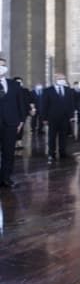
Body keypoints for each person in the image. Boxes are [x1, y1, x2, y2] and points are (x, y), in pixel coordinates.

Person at [0, 58, 27, 188]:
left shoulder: (14, 85)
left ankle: (6, 178)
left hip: (11, 123)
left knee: (8, 152)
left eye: (3, 65)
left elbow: (20, 104)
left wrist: (21, 120)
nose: (2, 68)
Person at [42, 72, 77, 163]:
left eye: (63, 78)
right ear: (55, 79)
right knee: (52, 136)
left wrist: (71, 116)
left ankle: (62, 152)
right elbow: (44, 105)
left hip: (65, 117)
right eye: (60, 78)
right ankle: (51, 153)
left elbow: (71, 104)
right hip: (52, 117)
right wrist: (44, 118)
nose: (62, 80)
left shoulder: (68, 90)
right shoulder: (48, 91)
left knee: (63, 136)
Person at [12, 77, 34, 150]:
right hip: (13, 112)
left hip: (23, 112)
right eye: (18, 82)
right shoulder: (11, 90)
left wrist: (32, 109)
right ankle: (13, 141)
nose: (19, 83)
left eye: (20, 82)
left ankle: (19, 142)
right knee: (13, 127)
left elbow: (30, 101)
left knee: (21, 127)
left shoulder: (25, 91)